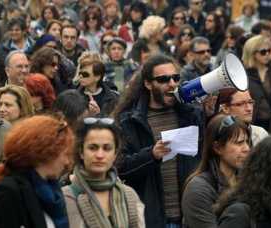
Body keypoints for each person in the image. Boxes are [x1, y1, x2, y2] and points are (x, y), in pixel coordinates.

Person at [113, 54, 204, 227]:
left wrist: (209, 114)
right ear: (148, 84)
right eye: (163, 80)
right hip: (153, 218)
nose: (171, 84)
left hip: (189, 216)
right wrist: (151, 155)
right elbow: (121, 168)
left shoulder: (191, 114)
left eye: (175, 78)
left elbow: (206, 157)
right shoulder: (130, 121)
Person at [0, 115, 74, 227]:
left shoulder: (53, 192)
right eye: (65, 154)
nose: (67, 162)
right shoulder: (9, 192)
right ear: (47, 152)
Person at [63, 117, 145, 228]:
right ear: (81, 152)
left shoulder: (128, 196)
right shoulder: (66, 197)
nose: (100, 155)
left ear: (115, 154)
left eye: (107, 148)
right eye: (92, 148)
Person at [182, 114, 250, 228]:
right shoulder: (198, 189)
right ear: (217, 148)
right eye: (239, 143)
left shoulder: (248, 181)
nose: (247, 148)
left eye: (247, 142)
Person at [76, 52, 119, 116]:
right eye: (80, 73)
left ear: (97, 77)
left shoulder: (112, 98)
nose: (81, 76)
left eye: (85, 74)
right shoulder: (74, 97)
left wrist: (98, 114)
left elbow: (114, 122)